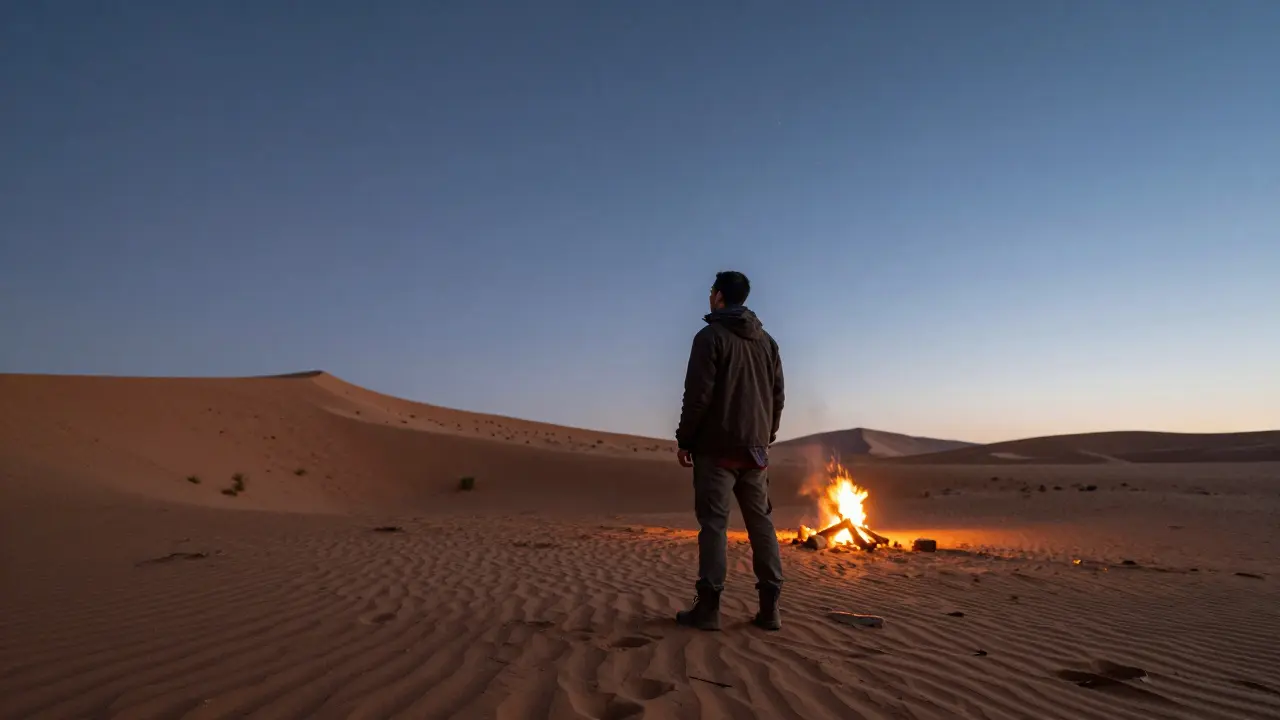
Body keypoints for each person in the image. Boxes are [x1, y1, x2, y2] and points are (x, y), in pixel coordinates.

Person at [674, 270, 785, 631]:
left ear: (719, 296)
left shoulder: (709, 337)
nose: (709, 297)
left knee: (714, 526)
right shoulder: (767, 342)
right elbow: (777, 397)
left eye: (711, 292)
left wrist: (685, 439)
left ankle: (709, 609)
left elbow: (698, 396)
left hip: (716, 449)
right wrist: (765, 437)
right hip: (755, 450)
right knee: (761, 525)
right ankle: (770, 609)